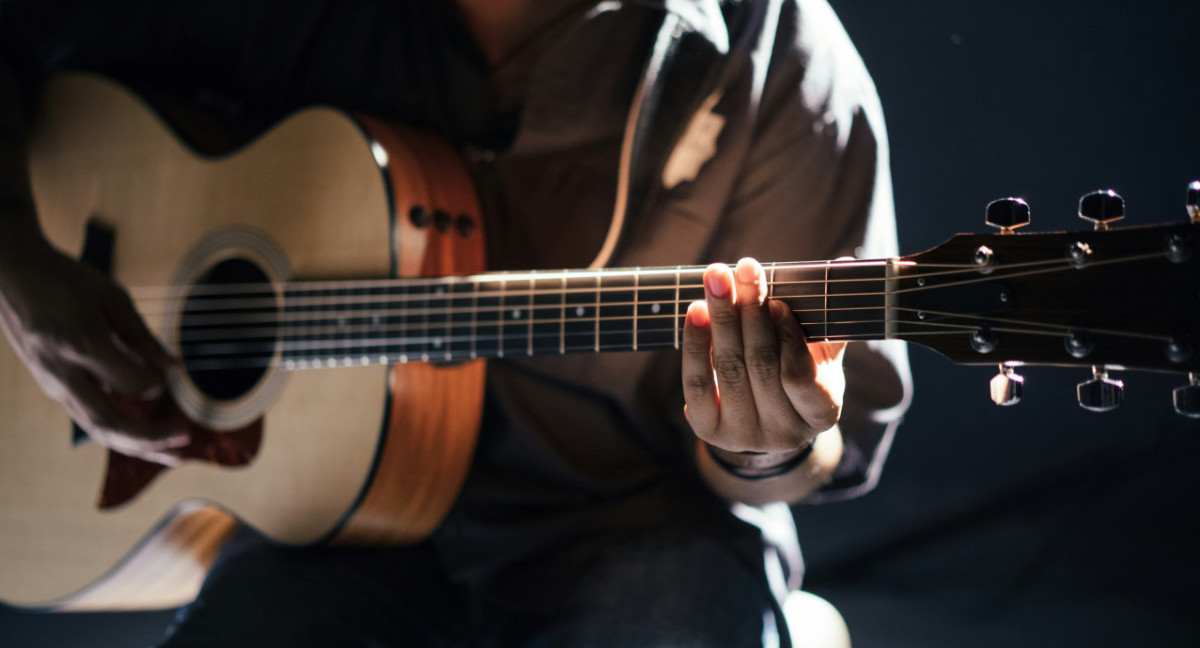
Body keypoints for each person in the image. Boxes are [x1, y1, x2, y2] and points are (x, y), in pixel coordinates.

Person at [0, 0, 910, 645]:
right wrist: (21, 266)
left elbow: (817, 454)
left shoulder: (780, 55)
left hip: (634, 525)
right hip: (331, 532)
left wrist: (767, 442)